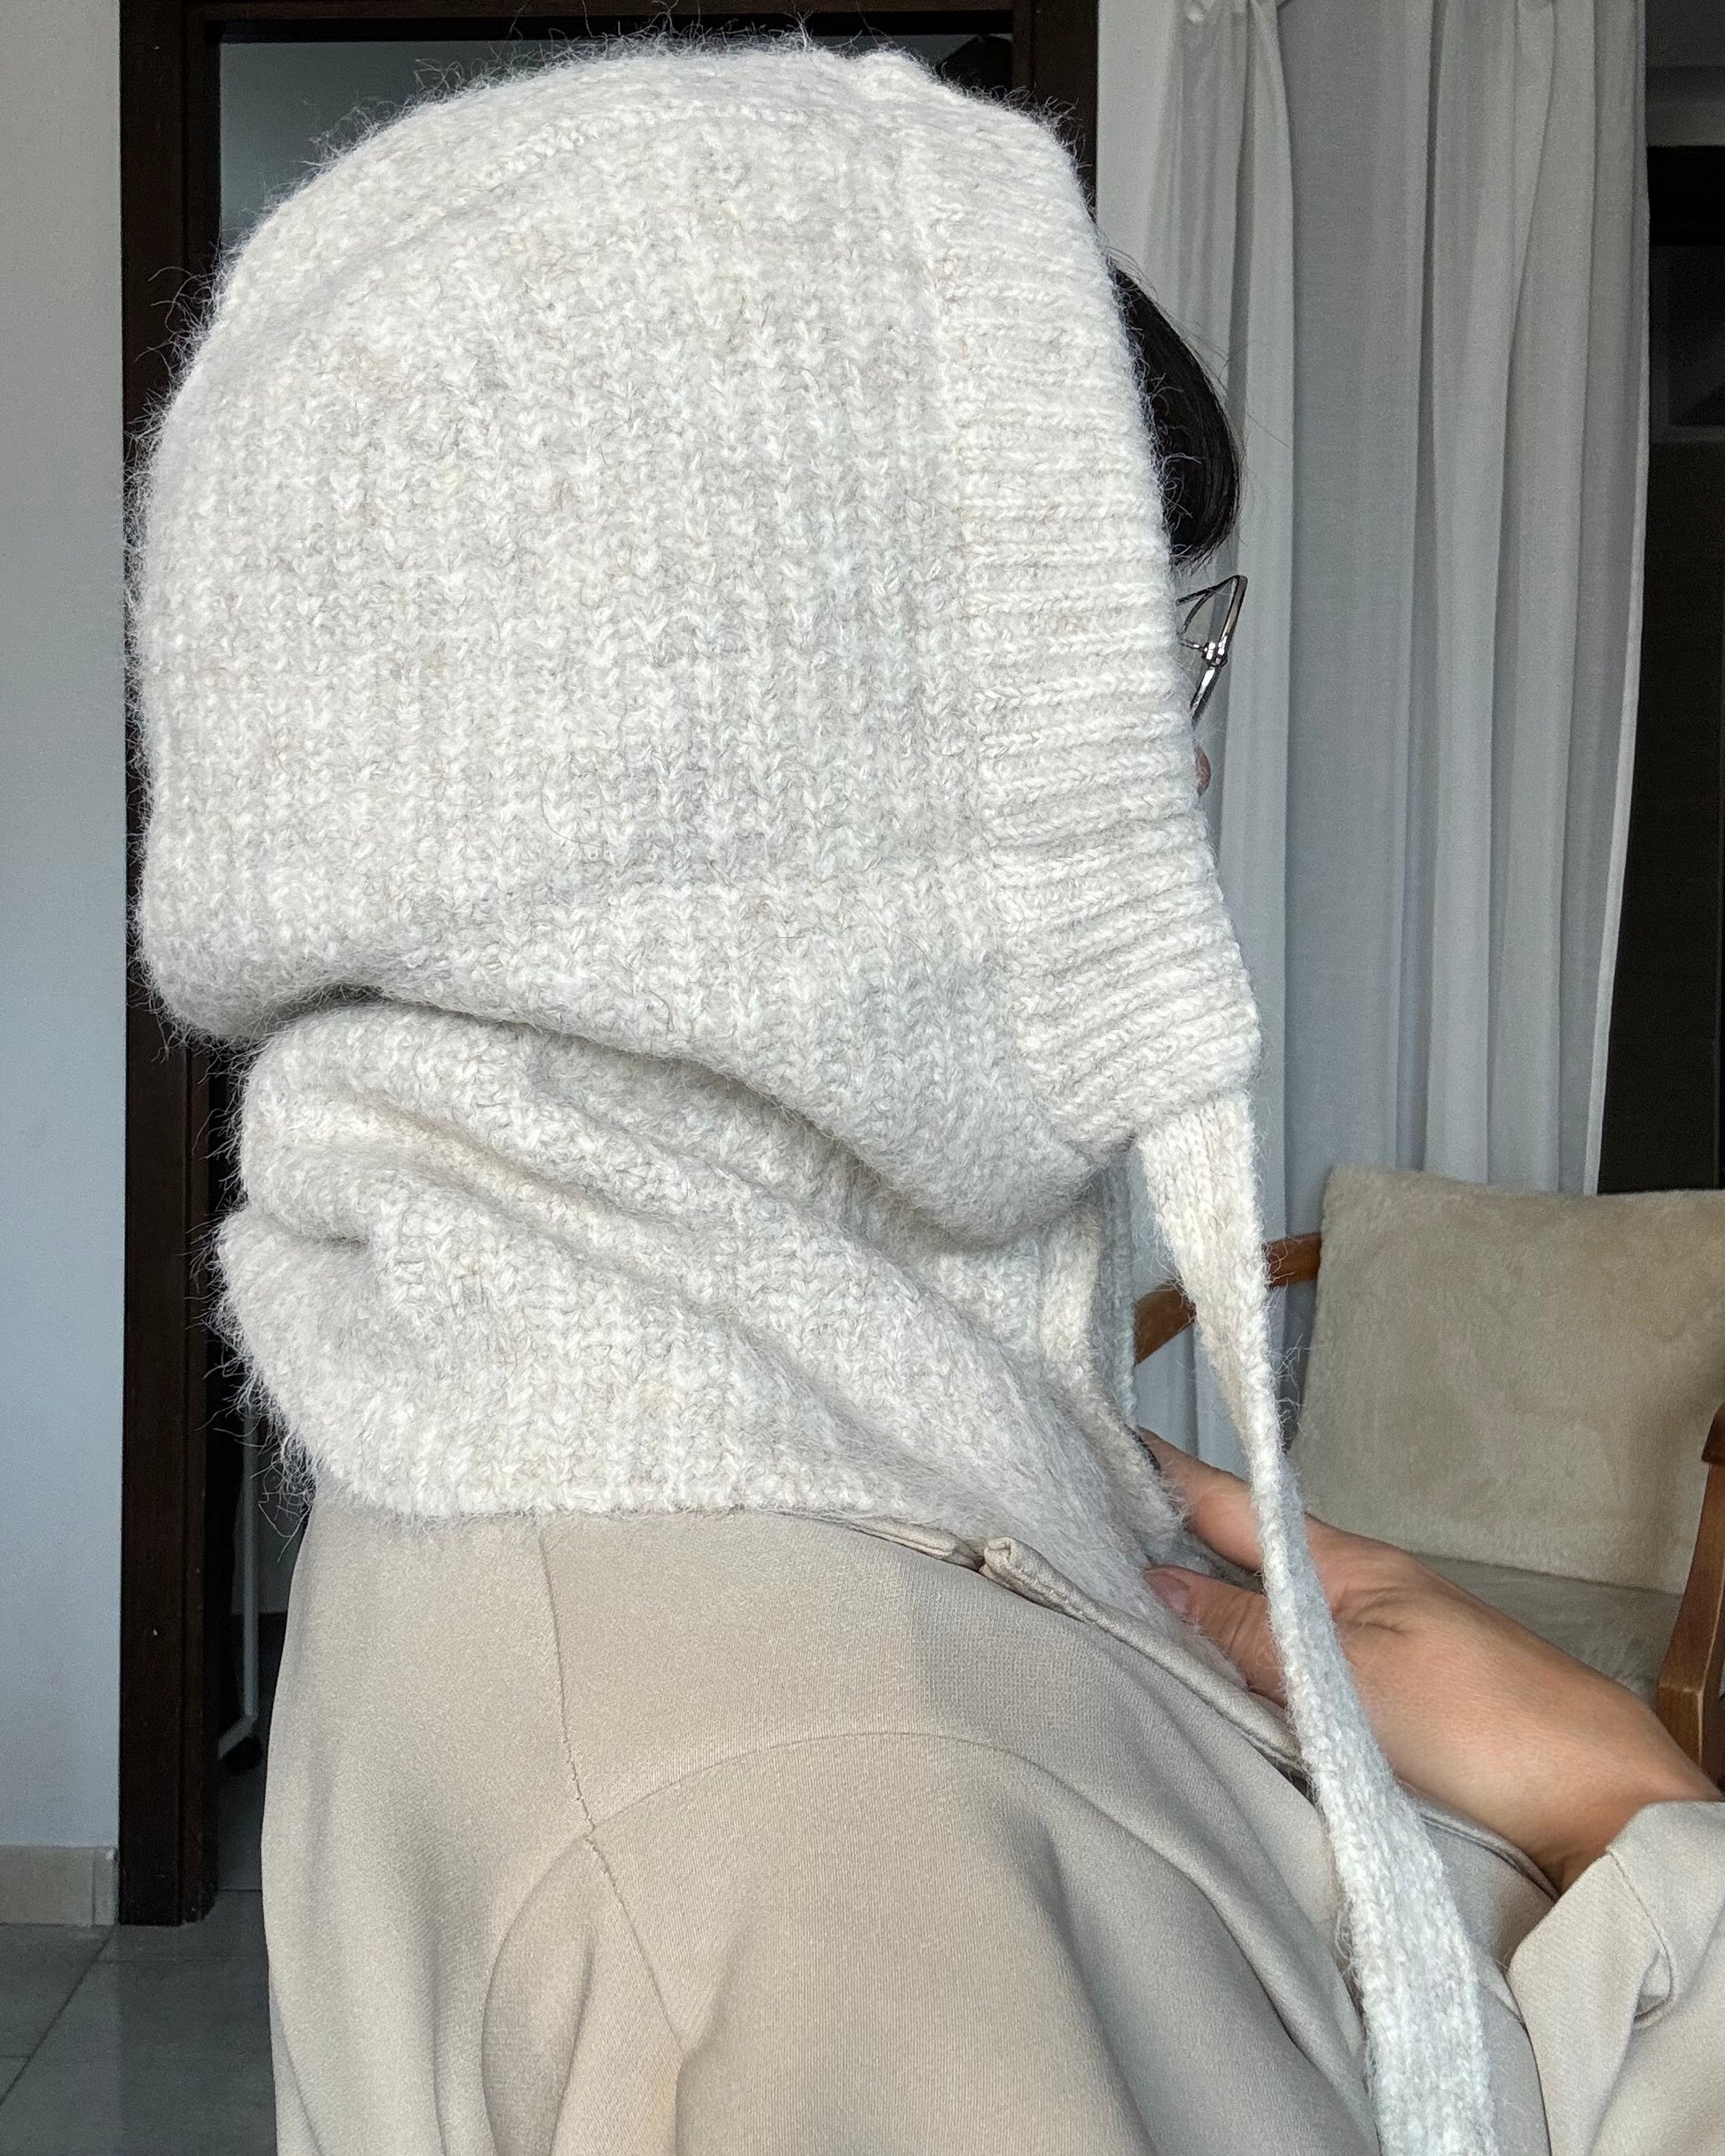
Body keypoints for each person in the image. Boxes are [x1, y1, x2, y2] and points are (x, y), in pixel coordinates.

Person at [132, 39, 1721, 2156]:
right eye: (1115, 680)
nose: (1179, 774)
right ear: (768, 762)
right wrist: (1643, 1823)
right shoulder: (842, 1827)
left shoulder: (497, 1403)